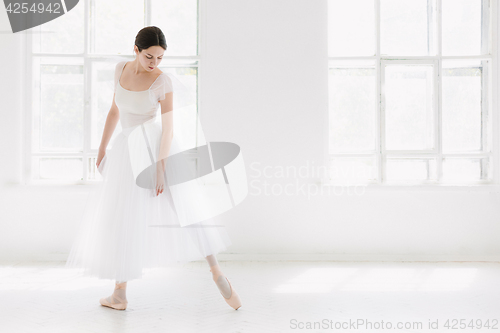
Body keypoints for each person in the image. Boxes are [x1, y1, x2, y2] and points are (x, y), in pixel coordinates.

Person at [65, 26, 241, 311]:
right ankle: (119, 293)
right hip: (126, 149)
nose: (154, 63)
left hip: (157, 147)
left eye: (160, 58)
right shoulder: (120, 69)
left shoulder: (163, 82)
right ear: (136, 50)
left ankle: (216, 271)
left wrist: (161, 167)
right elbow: (114, 111)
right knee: (122, 216)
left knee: (186, 208)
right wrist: (100, 148)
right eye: (149, 57)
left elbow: (169, 128)